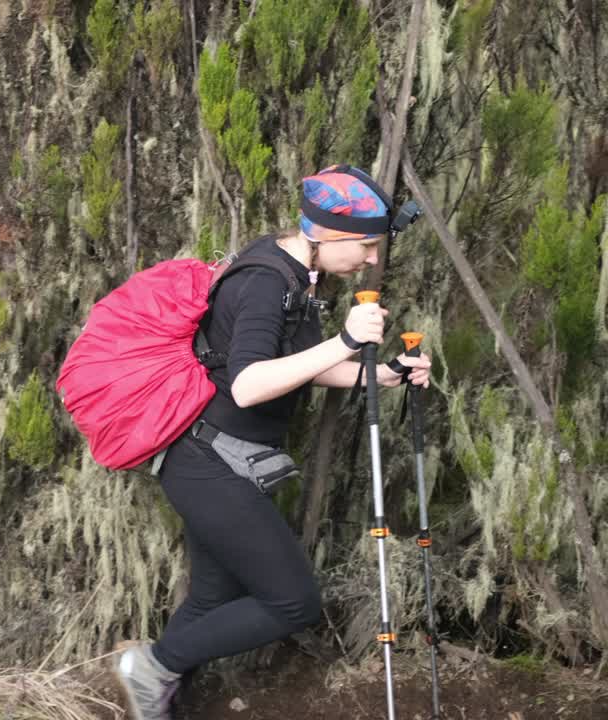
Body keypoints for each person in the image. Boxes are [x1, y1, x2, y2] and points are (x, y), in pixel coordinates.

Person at [112, 166, 433, 720]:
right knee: (293, 603)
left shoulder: (291, 272)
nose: (373, 260)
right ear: (328, 235)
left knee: (213, 597)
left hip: (216, 460)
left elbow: (298, 368)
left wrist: (381, 375)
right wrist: (347, 338)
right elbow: (249, 384)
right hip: (208, 462)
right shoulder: (264, 282)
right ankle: (151, 667)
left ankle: (156, 694)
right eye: (367, 245)